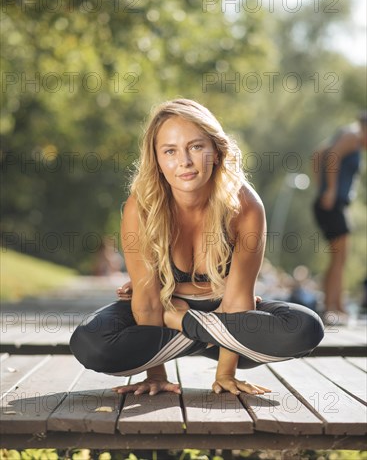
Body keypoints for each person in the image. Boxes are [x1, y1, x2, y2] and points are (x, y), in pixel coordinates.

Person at [70, 99, 324, 397]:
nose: (184, 162)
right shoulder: (140, 208)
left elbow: (239, 300)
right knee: (90, 342)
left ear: (216, 151)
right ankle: (200, 330)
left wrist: (225, 371)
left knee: (305, 327)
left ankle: (187, 324)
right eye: (170, 151)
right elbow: (149, 300)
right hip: (168, 318)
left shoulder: (245, 206)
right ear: (157, 159)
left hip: (220, 315)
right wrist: (155, 374)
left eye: (196, 147)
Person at [312, 111, 367, 323]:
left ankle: (336, 306)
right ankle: (331, 308)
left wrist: (322, 187)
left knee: (339, 257)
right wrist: (330, 189)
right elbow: (332, 156)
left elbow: (317, 155)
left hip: (335, 203)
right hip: (334, 203)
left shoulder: (348, 135)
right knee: (339, 257)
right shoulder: (352, 135)